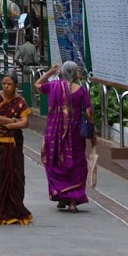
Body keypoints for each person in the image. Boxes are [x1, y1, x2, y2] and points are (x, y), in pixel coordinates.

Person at [36, 61, 93, 212]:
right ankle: (72, 201)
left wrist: (49, 73)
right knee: (76, 163)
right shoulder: (81, 90)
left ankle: (62, 194)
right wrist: (93, 133)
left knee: (56, 162)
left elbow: (37, 85)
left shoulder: (54, 86)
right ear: (75, 74)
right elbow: (88, 113)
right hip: (75, 134)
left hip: (55, 133)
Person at [0, 75, 33, 226]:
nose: (6, 86)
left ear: (15, 85)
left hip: (13, 144)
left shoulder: (21, 102)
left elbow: (25, 123)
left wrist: (13, 125)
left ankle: (12, 207)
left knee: (14, 175)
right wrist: (13, 121)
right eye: (3, 83)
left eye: (9, 84)